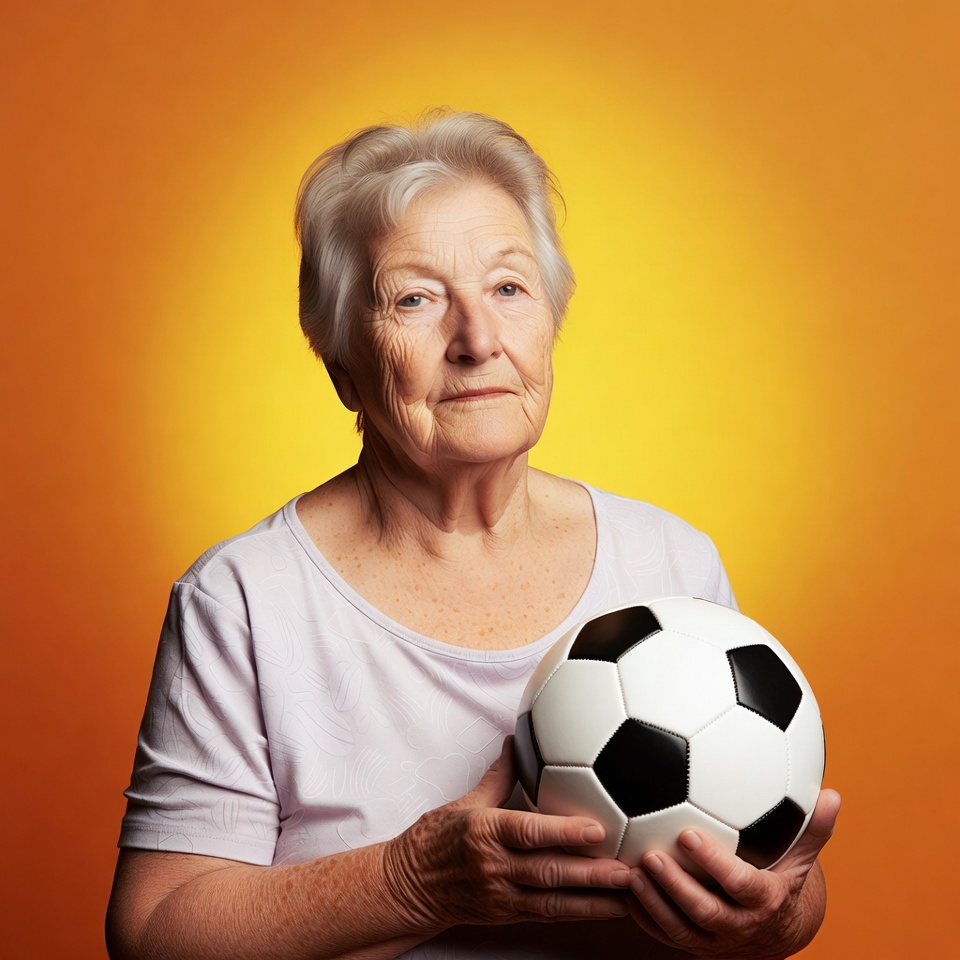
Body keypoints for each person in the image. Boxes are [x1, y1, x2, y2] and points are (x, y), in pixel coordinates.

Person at [106, 111, 840, 960]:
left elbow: (782, 884)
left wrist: (773, 917)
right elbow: (153, 932)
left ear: (549, 324)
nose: (478, 340)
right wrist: (412, 882)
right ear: (343, 366)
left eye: (508, 288)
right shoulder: (244, 599)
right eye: (414, 299)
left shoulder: (672, 562)